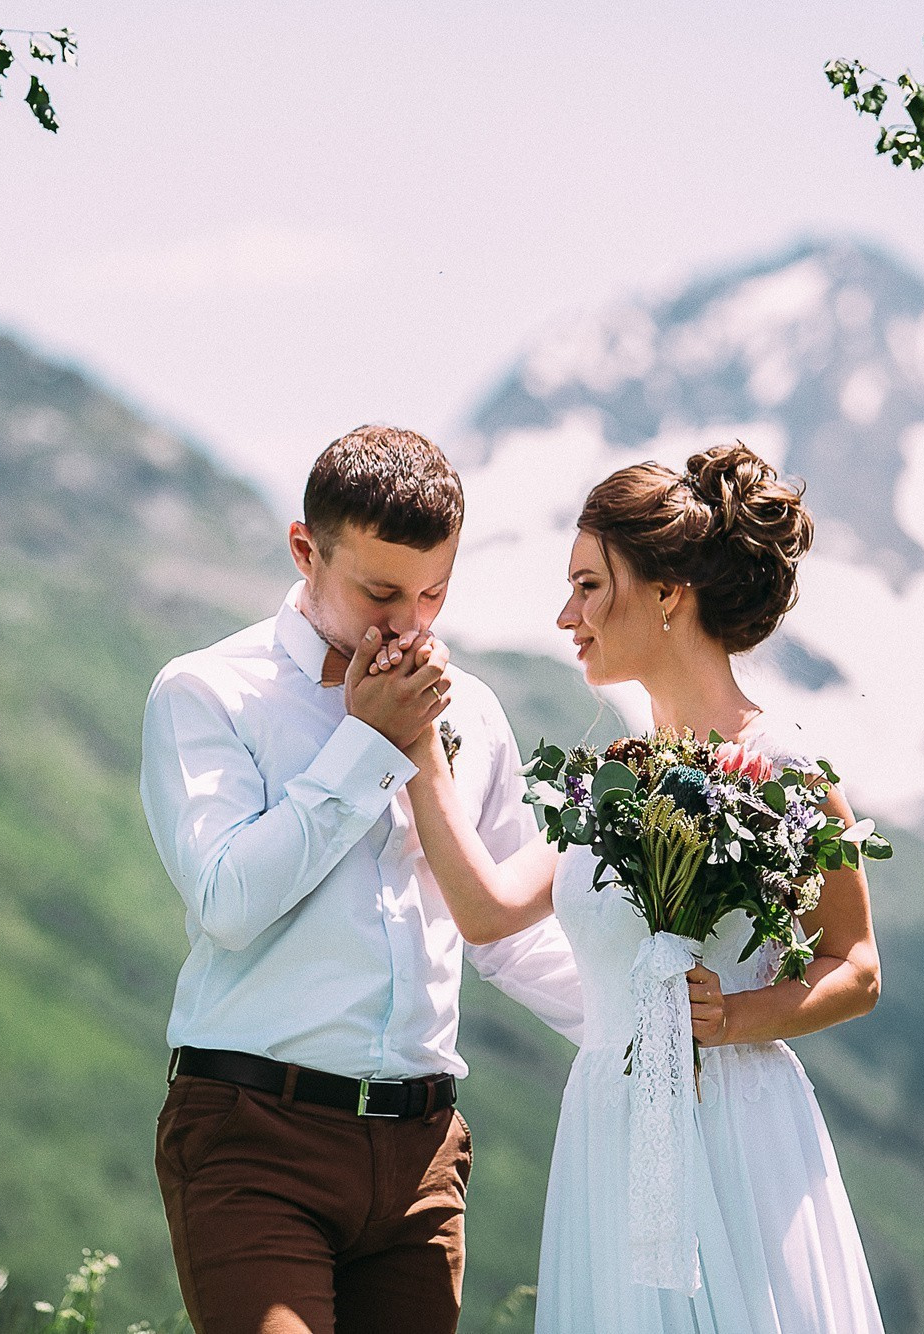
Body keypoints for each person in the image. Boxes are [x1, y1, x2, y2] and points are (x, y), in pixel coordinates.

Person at [394, 443, 887, 1332]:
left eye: (588, 586)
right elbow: (486, 909)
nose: (566, 615)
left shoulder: (783, 769)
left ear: (667, 594)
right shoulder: (607, 782)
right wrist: (419, 744)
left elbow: (855, 969)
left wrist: (731, 1018)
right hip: (609, 1130)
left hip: (733, 1129)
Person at [139, 425, 584, 1334]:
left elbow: (506, 930)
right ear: (306, 551)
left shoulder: (476, 713)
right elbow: (228, 902)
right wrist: (368, 744)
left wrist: (659, 1032)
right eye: (381, 593)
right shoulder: (206, 692)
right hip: (254, 1134)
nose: (411, 623)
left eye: (434, 593)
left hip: (423, 1155)